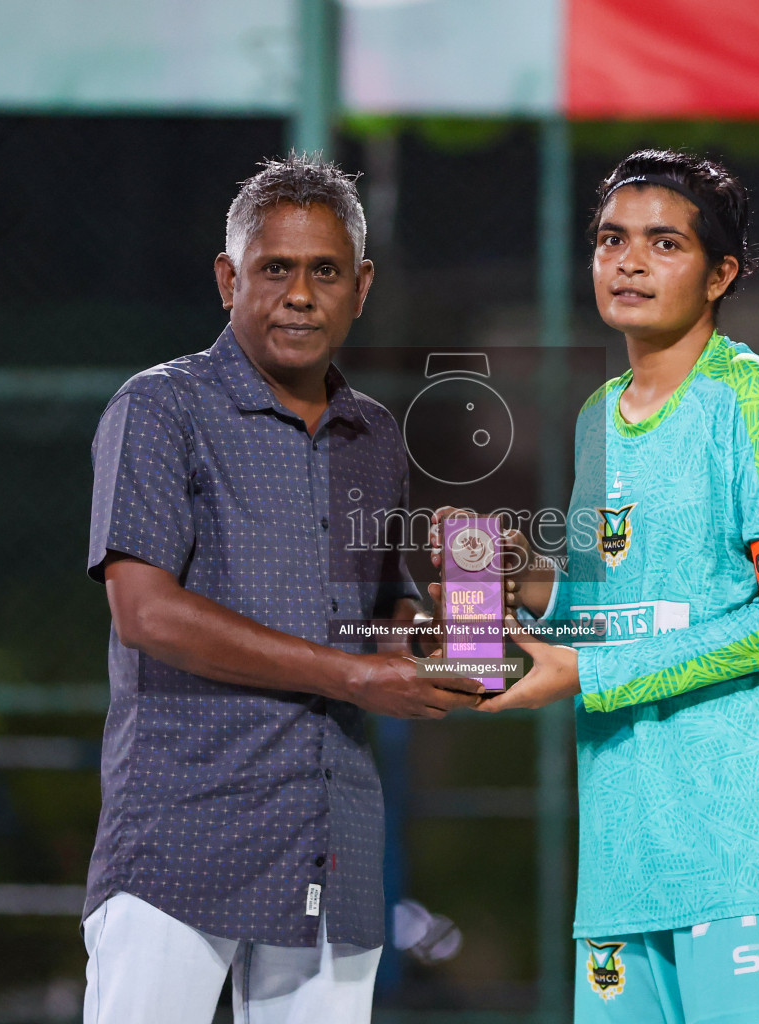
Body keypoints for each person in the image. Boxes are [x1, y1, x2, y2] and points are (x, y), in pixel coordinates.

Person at [437, 149, 759, 1023]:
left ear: (721, 275)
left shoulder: (753, 401)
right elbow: (609, 610)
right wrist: (528, 588)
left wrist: (586, 676)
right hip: (627, 853)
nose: (628, 262)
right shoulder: (599, 417)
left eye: (663, 243)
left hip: (746, 844)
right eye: (610, 239)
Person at [82, 154, 482, 1024]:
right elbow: (143, 611)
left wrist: (456, 623)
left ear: (361, 287)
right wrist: (352, 677)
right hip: (182, 839)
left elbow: (384, 610)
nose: (301, 294)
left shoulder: (374, 434)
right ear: (229, 279)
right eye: (276, 269)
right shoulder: (159, 409)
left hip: (330, 840)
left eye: (325, 271)